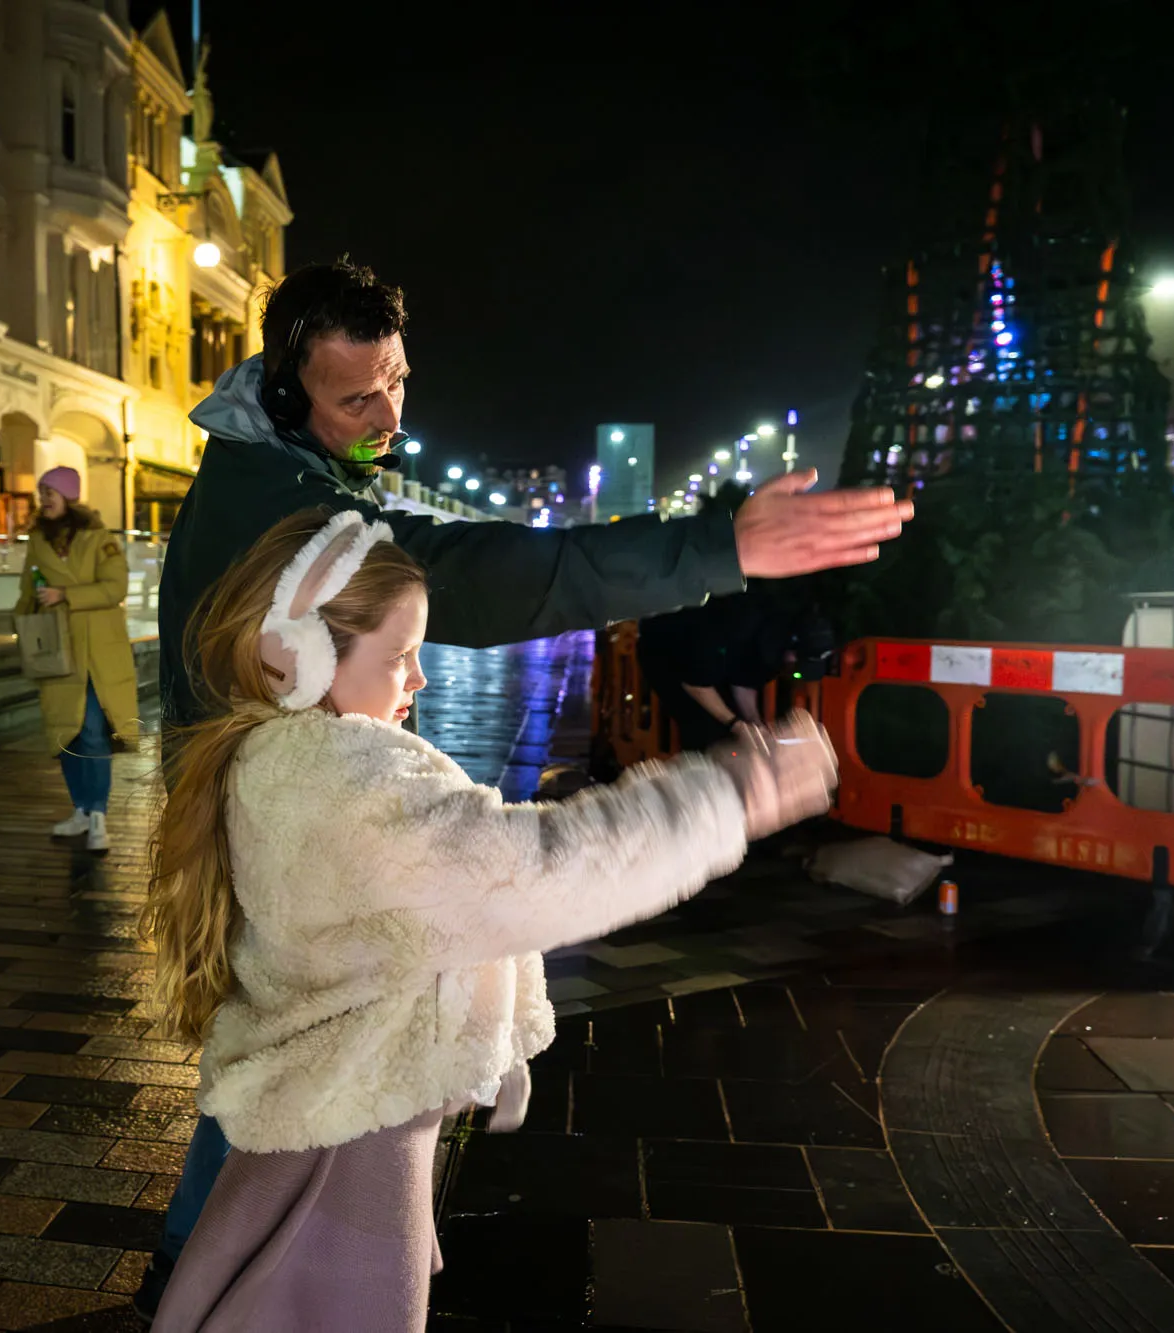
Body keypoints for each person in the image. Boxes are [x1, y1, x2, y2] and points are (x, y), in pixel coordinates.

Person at [137, 257, 911, 1316]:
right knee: (287, 1078)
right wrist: (713, 576)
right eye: (354, 395)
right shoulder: (287, 528)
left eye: (397, 379)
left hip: (256, 834)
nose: (385, 412)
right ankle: (200, 1277)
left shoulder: (291, 479)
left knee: (270, 1055)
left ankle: (193, 1267)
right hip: (281, 852)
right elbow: (490, 603)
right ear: (284, 393)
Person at [142, 510, 836, 1331]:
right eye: (400, 656)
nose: (419, 680)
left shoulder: (290, 754)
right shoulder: (340, 783)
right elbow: (532, 869)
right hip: (347, 1139)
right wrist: (725, 800)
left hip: (330, 1113)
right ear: (301, 654)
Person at [14, 467, 138, 853]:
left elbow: (115, 586)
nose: (44, 499)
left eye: (50, 491)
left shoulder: (98, 539)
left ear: (69, 495)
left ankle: (98, 812)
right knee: (64, 732)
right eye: (41, 492)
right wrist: (24, 619)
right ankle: (81, 810)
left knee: (93, 732)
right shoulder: (37, 540)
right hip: (58, 651)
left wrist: (65, 593)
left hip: (99, 652)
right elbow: (26, 589)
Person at [636, 589, 802, 750]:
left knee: (729, 722)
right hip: (665, 647)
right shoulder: (718, 633)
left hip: (712, 652)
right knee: (706, 727)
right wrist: (737, 725)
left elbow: (744, 682)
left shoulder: (766, 635)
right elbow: (696, 685)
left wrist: (755, 723)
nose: (793, 666)